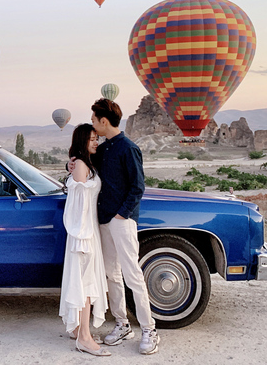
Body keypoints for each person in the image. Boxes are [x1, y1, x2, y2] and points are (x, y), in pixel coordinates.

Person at [89, 98, 159, 355]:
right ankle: (122, 323)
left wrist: (122, 215)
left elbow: (138, 187)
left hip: (122, 221)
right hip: (104, 221)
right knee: (112, 275)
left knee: (132, 275)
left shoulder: (128, 148)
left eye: (94, 120)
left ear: (104, 121)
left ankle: (149, 329)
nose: (93, 124)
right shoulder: (104, 148)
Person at [60, 124, 110, 357]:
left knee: (85, 283)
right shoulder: (80, 164)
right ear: (82, 141)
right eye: (91, 139)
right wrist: (81, 236)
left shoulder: (84, 164)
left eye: (96, 138)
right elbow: (77, 205)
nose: (95, 142)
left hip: (88, 231)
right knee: (86, 284)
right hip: (84, 234)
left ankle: (81, 329)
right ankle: (83, 338)